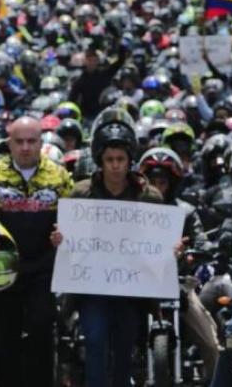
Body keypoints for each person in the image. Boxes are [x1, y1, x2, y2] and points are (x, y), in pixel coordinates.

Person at [51, 109, 181, 387]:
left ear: (129, 160)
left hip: (132, 290)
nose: (115, 165)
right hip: (91, 289)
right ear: (99, 160)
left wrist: (170, 248)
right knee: (95, 343)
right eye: (109, 159)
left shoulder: (149, 197)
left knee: (124, 350)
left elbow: (157, 242)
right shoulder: (80, 194)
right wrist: (61, 241)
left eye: (120, 159)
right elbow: (70, 241)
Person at [0, 116, 74, 387]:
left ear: (40, 143)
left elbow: (72, 220)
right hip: (3, 268)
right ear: (9, 143)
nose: (25, 147)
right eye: (19, 142)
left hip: (43, 268)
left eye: (31, 141)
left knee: (42, 331)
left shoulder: (59, 175)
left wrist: (63, 235)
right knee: (4, 338)